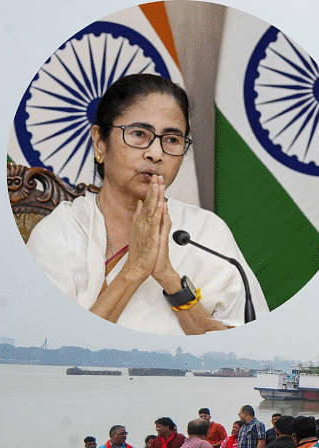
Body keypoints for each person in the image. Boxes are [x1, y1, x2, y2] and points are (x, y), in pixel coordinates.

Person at [25, 74, 265, 334]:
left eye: (172, 139)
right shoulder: (60, 234)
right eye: (139, 134)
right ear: (99, 142)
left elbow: (246, 346)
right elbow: (54, 352)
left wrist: (171, 280)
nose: (156, 153)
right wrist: (135, 269)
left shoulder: (206, 233)